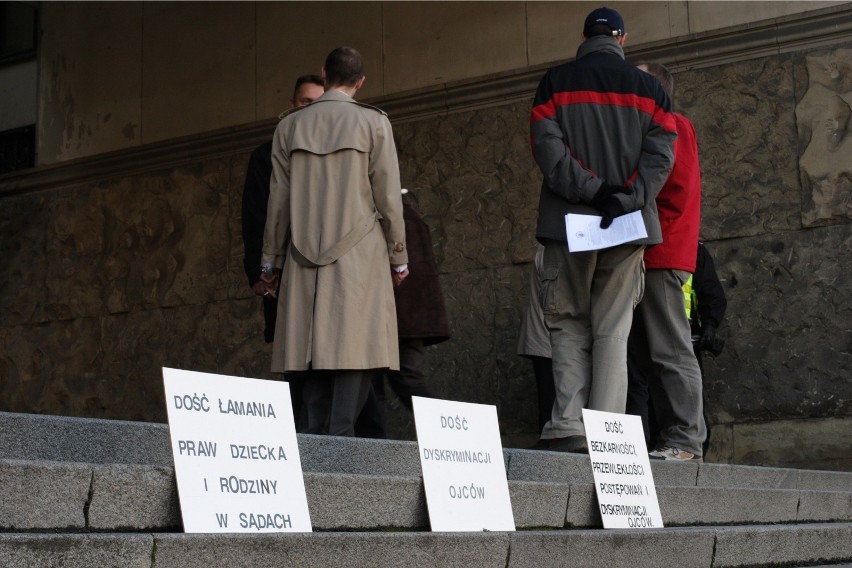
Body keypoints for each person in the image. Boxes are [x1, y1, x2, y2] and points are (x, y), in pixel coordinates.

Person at [529, 7, 677, 453]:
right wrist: (623, 198)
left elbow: (548, 150)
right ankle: (609, 431)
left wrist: (592, 192)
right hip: (627, 225)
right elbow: (661, 159)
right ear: (623, 40)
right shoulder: (651, 89)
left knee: (567, 322)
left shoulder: (554, 82)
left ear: (583, 36)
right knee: (613, 327)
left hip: (569, 223)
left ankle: (567, 426)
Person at [260, 46, 409, 437]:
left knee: (308, 354)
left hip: (301, 254)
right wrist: (399, 257)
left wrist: (269, 263)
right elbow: (389, 198)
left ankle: (312, 444)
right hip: (359, 255)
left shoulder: (289, 127)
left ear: (324, 73)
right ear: (360, 81)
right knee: (355, 351)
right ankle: (340, 441)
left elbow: (277, 204)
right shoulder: (374, 123)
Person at [625, 61, 706, 462]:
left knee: (670, 351)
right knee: (652, 354)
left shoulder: (674, 124)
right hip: (655, 252)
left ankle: (686, 441)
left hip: (663, 252)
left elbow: (666, 184)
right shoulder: (668, 125)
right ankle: (674, 438)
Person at [241, 74, 324, 424]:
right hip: (285, 273)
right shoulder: (267, 155)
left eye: (318, 103)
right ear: (292, 104)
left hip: (326, 275)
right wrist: (258, 272)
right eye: (305, 101)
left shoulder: (332, 154)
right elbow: (255, 215)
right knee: (296, 364)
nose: (311, 109)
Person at [356, 191, 451, 437]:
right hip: (413, 317)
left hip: (392, 315)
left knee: (377, 382)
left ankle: (450, 430)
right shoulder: (412, 216)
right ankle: (451, 429)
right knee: (408, 378)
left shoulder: (384, 219)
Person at [517, 244, 556, 436]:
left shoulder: (546, 245)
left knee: (549, 406)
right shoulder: (551, 249)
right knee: (550, 408)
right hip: (549, 339)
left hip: (546, 338)